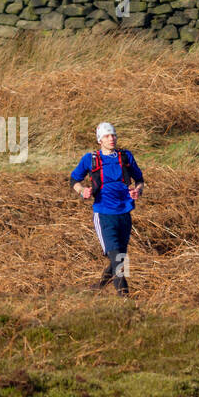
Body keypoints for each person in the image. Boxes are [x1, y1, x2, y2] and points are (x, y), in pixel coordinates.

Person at [70, 122, 145, 296]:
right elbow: (74, 181)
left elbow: (140, 180)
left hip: (125, 214)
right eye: (106, 136)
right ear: (99, 140)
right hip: (104, 214)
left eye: (113, 135)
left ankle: (99, 286)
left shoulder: (126, 156)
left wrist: (138, 191)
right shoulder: (90, 159)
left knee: (119, 258)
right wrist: (83, 191)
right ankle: (125, 299)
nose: (111, 139)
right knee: (118, 259)